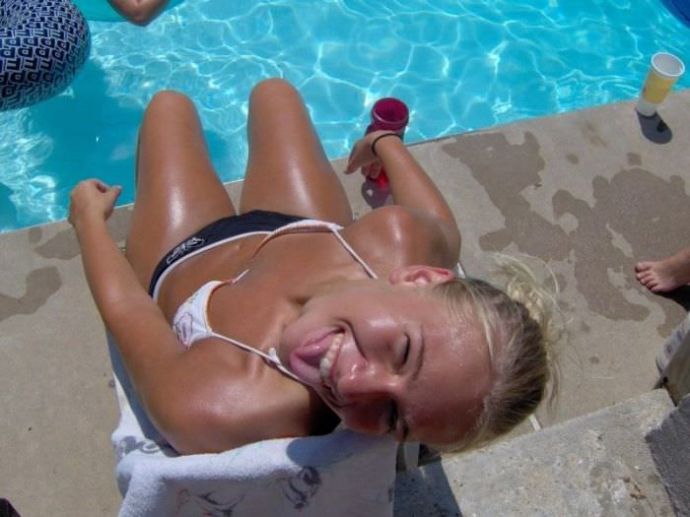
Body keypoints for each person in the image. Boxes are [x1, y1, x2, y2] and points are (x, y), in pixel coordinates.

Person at [70, 78, 556, 456]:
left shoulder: (220, 404)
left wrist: (88, 223)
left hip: (184, 255)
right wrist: (384, 144)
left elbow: (127, 310)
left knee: (167, 107)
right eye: (404, 351)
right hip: (294, 226)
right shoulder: (394, 240)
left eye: (393, 417)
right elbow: (442, 227)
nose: (356, 385)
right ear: (419, 278)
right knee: (275, 93)